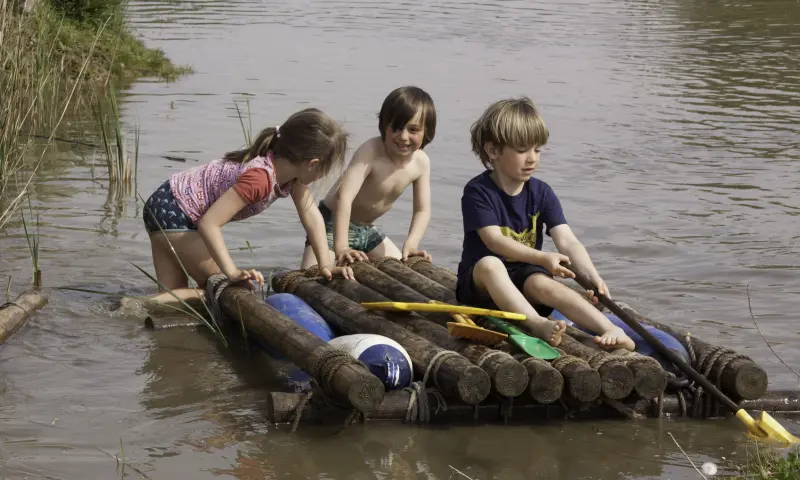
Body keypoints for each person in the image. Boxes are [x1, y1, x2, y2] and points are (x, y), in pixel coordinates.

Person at [456, 97, 635, 350]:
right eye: (521, 150)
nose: (532, 159)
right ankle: (537, 324)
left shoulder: (542, 193)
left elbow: (567, 241)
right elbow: (493, 241)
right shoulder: (478, 192)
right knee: (491, 264)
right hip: (481, 289)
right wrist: (542, 258)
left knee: (544, 283)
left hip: (526, 280)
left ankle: (610, 328)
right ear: (493, 151)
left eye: (537, 150)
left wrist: (591, 275)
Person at [134, 107, 354, 307]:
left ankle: (135, 308)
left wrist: (326, 264)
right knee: (229, 290)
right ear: (312, 163)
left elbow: (312, 217)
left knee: (173, 301)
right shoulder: (260, 179)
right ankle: (130, 306)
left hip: (164, 203)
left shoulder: (288, 176)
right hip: (176, 212)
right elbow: (209, 223)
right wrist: (232, 272)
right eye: (325, 169)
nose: (322, 176)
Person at [300, 86, 436, 269]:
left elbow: (422, 210)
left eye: (413, 130)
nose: (403, 136)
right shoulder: (371, 151)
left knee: (402, 270)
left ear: (427, 132)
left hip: (367, 231)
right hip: (332, 225)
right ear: (383, 124)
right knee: (313, 274)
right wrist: (342, 247)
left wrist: (411, 244)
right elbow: (344, 197)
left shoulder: (421, 162)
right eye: (396, 128)